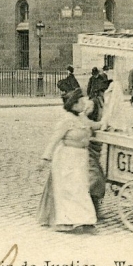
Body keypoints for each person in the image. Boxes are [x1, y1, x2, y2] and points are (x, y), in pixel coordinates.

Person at [38, 88, 100, 232]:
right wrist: (45, 158)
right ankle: (70, 222)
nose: (84, 104)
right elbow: (54, 140)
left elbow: (95, 125)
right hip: (67, 158)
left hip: (81, 158)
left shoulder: (81, 118)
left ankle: (84, 220)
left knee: (81, 188)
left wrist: (109, 121)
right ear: (73, 104)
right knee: (71, 190)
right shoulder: (66, 120)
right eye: (81, 102)